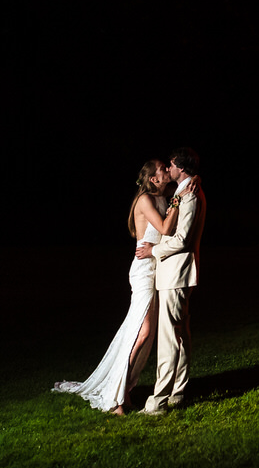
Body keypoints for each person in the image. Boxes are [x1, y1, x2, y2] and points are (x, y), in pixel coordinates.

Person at [53, 159, 182, 414]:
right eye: (161, 168)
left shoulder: (161, 195)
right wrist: (177, 203)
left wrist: (188, 186)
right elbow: (166, 227)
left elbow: (178, 190)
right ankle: (117, 398)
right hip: (143, 272)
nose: (167, 169)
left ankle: (124, 391)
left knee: (143, 334)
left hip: (155, 270)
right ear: (154, 179)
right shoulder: (145, 200)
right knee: (142, 333)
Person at [139, 146, 206, 414]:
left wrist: (153, 250)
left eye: (172, 164)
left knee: (170, 338)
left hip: (176, 273)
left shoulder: (190, 195)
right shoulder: (184, 191)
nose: (169, 168)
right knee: (179, 336)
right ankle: (178, 392)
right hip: (176, 273)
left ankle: (159, 400)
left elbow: (182, 239)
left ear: (182, 168)